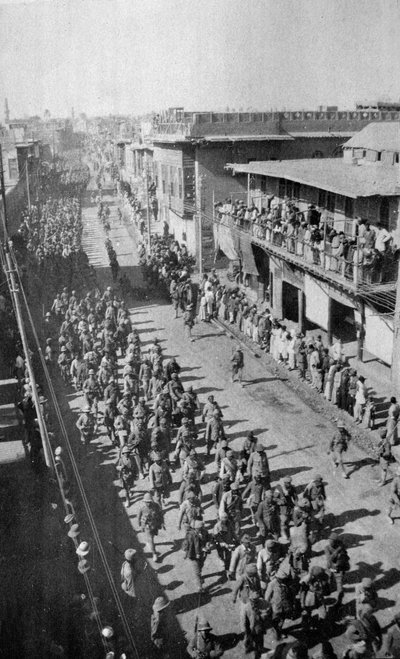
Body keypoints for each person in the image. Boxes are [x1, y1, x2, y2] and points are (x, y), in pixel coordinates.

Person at [183, 520, 212, 592]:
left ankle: (199, 577)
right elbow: (188, 546)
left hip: (203, 554)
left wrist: (208, 544)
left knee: (200, 566)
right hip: (193, 555)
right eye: (200, 527)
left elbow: (209, 538)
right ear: (195, 528)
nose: (202, 528)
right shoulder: (190, 535)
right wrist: (186, 554)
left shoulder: (205, 531)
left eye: (202, 527)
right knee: (197, 572)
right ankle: (200, 587)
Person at [137, 492, 164, 562]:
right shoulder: (142, 509)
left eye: (149, 502)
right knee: (151, 539)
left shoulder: (156, 506)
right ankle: (154, 553)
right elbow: (139, 517)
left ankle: (150, 543)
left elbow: (160, 514)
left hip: (155, 525)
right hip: (147, 526)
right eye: (146, 502)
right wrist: (140, 525)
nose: (148, 503)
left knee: (152, 537)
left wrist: (162, 523)